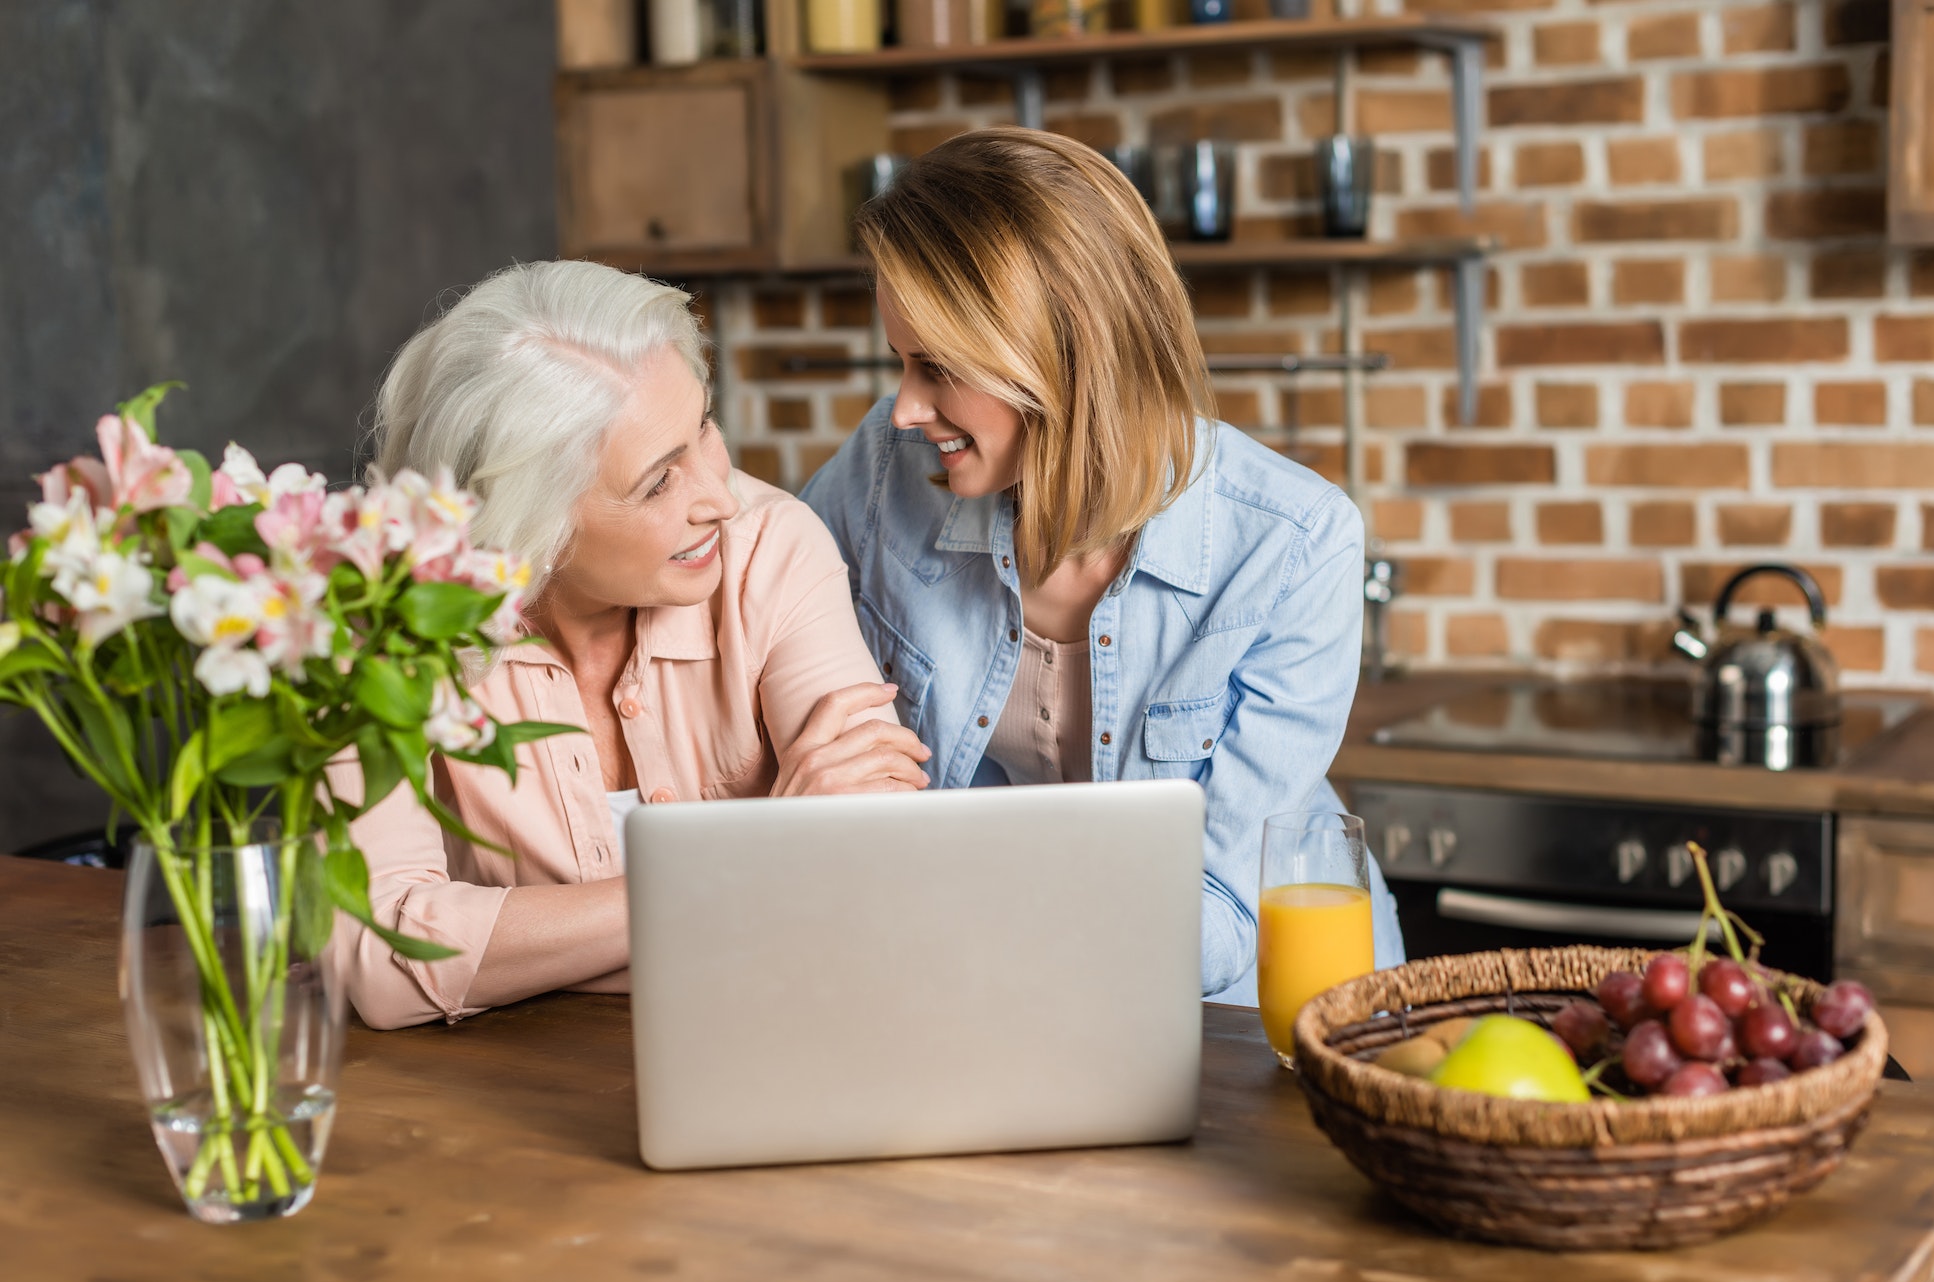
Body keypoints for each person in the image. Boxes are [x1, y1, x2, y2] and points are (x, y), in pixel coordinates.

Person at [801, 127, 1404, 1004]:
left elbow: (1224, 906)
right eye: (900, 361)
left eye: (937, 366)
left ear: (1060, 357)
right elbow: (761, 644)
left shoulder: (1293, 543)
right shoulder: (879, 477)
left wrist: (968, 950)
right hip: (984, 986)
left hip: (1254, 1006)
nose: (903, 409)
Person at [337, 260, 930, 1029]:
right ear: (529, 531)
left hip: (773, 1041)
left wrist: (508, 948)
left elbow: (875, 874)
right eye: (658, 482)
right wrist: (753, 861)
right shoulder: (376, 623)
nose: (719, 498)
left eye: (703, 429)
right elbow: (382, 960)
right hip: (488, 1097)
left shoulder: (771, 547)